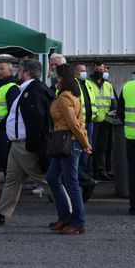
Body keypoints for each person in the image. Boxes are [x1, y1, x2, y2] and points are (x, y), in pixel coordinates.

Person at [0, 59, 54, 225]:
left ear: (26, 73)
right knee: (12, 180)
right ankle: (0, 213)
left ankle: (68, 209)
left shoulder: (33, 91)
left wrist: (32, 145)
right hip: (16, 143)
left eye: (19, 70)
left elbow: (36, 120)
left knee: (44, 179)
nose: (17, 73)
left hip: (24, 144)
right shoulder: (25, 89)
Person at [45, 64, 91, 235]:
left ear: (62, 78)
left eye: (56, 75)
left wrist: (85, 143)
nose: (53, 77)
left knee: (71, 183)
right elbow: (80, 122)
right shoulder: (67, 95)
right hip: (64, 143)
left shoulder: (65, 97)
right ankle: (65, 217)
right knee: (52, 177)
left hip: (69, 143)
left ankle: (78, 222)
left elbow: (74, 124)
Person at [73, 63, 98, 202]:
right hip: (79, 124)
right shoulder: (73, 84)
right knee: (79, 153)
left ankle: (85, 180)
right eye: (81, 71)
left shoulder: (88, 84)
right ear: (75, 72)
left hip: (90, 122)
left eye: (85, 70)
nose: (84, 73)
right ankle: (85, 181)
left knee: (86, 154)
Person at [88, 61, 116, 181]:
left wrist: (113, 113)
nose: (99, 72)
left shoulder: (108, 85)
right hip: (93, 121)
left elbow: (112, 102)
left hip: (105, 121)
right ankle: (89, 173)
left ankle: (101, 172)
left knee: (102, 148)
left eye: (101, 70)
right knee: (90, 148)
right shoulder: (88, 83)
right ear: (93, 70)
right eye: (97, 70)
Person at [0, 61, 20, 177]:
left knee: (7, 162)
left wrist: (1, 125)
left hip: (5, 130)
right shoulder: (1, 86)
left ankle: (8, 191)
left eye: (2, 69)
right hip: (0, 130)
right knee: (3, 161)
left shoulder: (11, 88)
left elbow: (13, 111)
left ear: (10, 71)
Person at [116, 71, 135, 215]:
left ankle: (134, 206)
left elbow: (120, 112)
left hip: (131, 137)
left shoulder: (127, 87)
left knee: (132, 173)